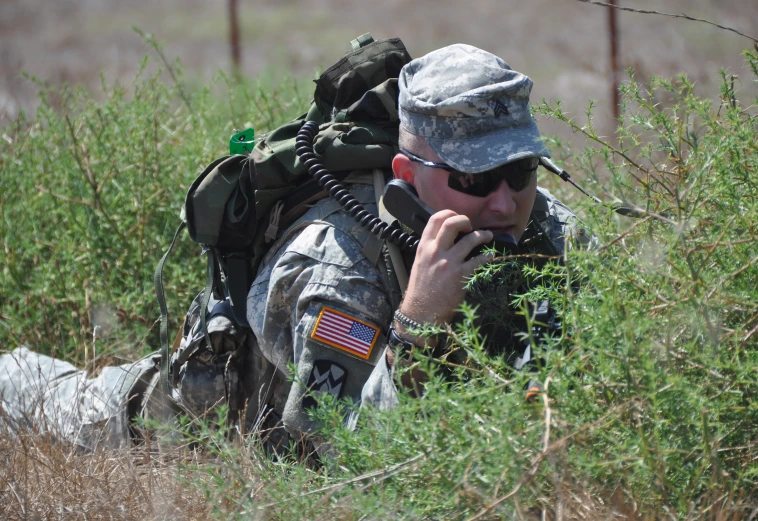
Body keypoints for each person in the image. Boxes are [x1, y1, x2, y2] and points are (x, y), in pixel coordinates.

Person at [0, 43, 589, 455]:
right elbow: (339, 443)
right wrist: (417, 326)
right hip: (195, 423)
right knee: (50, 402)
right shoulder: (336, 267)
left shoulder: (541, 224)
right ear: (408, 172)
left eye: (520, 171)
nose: (506, 202)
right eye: (476, 180)